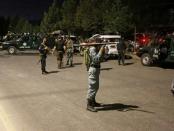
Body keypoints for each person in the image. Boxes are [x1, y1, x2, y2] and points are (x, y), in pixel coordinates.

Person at [87, 44, 105, 112]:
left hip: (96, 69)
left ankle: (93, 102)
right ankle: (89, 105)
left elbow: (102, 59)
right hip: (93, 68)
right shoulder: (92, 49)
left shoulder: (96, 48)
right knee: (92, 87)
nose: (100, 41)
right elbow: (96, 60)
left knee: (96, 87)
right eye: (98, 40)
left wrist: (103, 51)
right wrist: (101, 50)